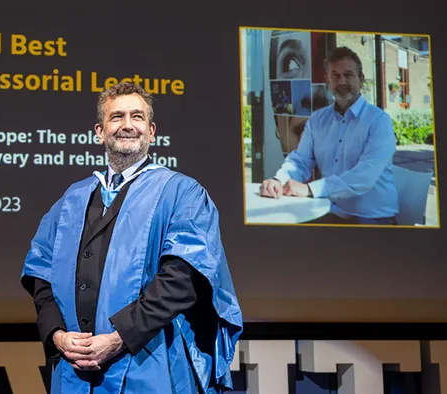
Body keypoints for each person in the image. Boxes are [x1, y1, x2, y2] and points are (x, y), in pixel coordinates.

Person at [20, 82, 242, 393]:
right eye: (117, 117)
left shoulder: (181, 193)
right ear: (100, 131)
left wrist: (118, 338)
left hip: (151, 365)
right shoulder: (72, 200)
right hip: (76, 372)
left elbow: (182, 280)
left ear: (152, 131)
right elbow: (39, 274)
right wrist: (57, 334)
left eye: (137, 117)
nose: (127, 125)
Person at [259, 46, 399, 225]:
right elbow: (300, 161)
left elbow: (364, 177)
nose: (342, 82)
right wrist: (279, 180)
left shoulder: (379, 121)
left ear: (361, 79)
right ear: (328, 81)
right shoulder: (317, 120)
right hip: (331, 212)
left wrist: (310, 189)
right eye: (335, 76)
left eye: (348, 75)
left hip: (373, 217)